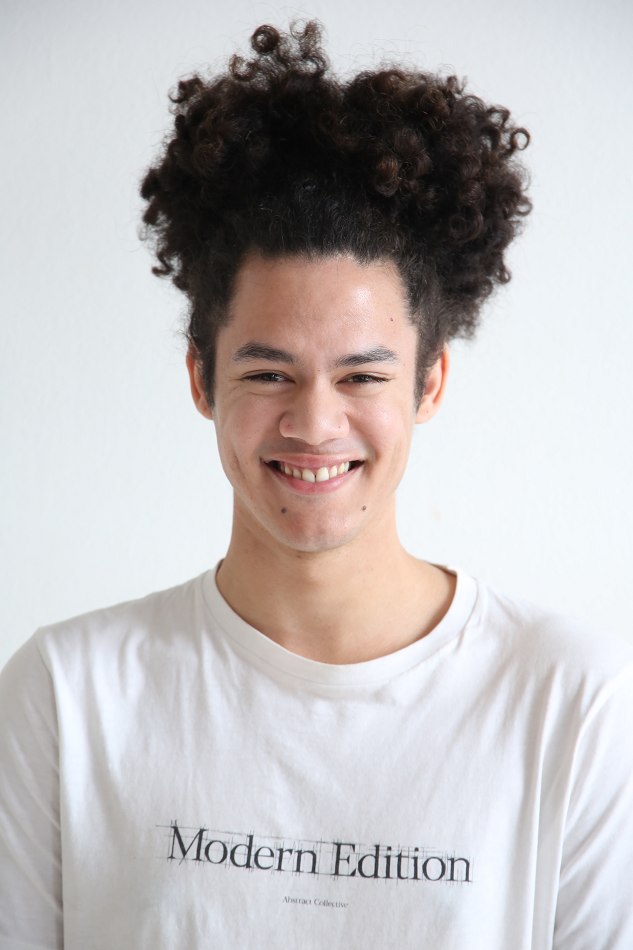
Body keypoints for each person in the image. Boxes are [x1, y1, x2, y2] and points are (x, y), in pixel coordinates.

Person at [1, 21, 632, 950]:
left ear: (429, 383)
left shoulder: (571, 701)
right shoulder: (66, 696)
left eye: (362, 375)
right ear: (200, 379)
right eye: (268, 373)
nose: (313, 423)